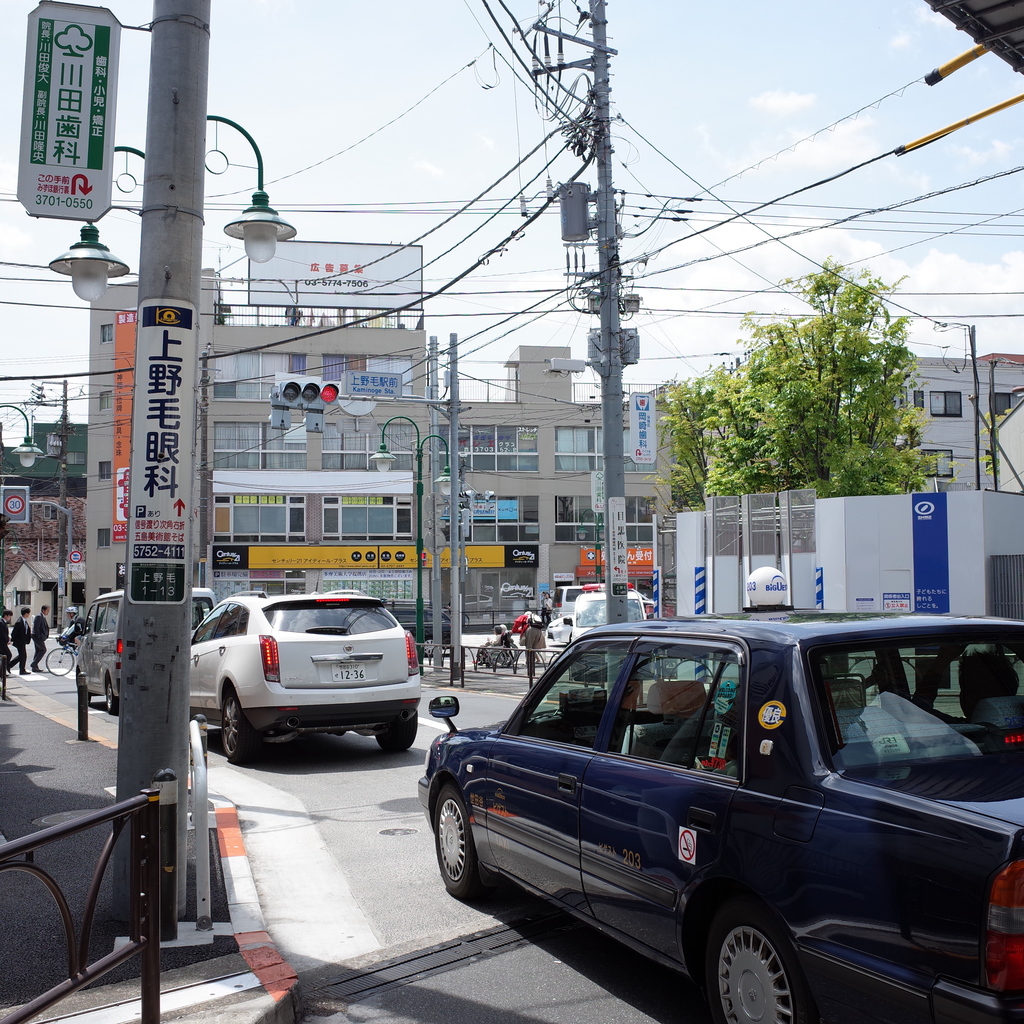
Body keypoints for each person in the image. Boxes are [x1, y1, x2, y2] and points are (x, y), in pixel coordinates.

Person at [520, 613, 547, 679]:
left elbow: (524, 624)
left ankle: (529, 666)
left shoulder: (528, 617)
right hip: (539, 631)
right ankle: (532, 668)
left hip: (531, 630)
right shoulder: (536, 617)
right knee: (534, 649)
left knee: (529, 648)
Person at [11, 607, 32, 675]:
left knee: (22, 656)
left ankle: (9, 666)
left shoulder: (24, 620)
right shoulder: (19, 622)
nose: (29, 615)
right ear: (26, 614)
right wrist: (13, 640)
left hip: (23, 641)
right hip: (19, 641)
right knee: (23, 656)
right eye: (28, 613)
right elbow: (14, 633)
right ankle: (21, 670)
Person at [30, 604, 50, 672]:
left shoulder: (43, 617)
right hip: (37, 636)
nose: (48, 612)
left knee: (38, 651)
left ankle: (35, 667)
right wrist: (39, 636)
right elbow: (36, 627)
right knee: (43, 650)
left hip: (39, 636)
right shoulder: (39, 616)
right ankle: (34, 664)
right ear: (43, 610)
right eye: (47, 610)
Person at [0, 609, 11, 677]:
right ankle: (3, 671)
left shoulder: (2, 622)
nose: (10, 618)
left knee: (5, 656)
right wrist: (7, 640)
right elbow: (1, 634)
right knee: (8, 655)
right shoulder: (1, 622)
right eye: (9, 616)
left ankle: (3, 671)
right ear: (6, 616)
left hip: (3, 642)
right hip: (1, 643)